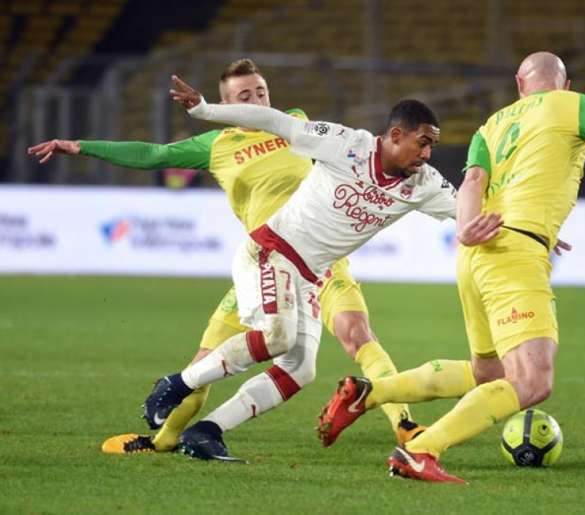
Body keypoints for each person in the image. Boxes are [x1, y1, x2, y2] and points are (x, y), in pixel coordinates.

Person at [316, 51, 585, 484]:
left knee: (489, 373)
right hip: (515, 256)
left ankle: (371, 392)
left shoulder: (492, 124)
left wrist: (467, 229)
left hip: (475, 251)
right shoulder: (576, 105)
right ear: (565, 85)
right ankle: (421, 450)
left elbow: (471, 183)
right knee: (532, 381)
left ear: (520, 86)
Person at [27, 58, 424, 455]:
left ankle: (405, 426)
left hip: (323, 262)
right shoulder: (216, 146)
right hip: (264, 263)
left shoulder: (297, 124)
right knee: (203, 368)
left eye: (261, 92)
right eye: (245, 96)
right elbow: (153, 155)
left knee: (357, 335)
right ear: (228, 104)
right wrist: (81, 147)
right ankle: (163, 441)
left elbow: (356, 151)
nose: (257, 100)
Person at [139, 75, 498, 462]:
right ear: (396, 135)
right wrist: (205, 109)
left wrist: (524, 227)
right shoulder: (346, 144)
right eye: (423, 143)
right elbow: (277, 121)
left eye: (433, 146)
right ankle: (176, 384)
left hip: (309, 277)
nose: (428, 154)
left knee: (299, 371)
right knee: (277, 336)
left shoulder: (424, 184)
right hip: (270, 252)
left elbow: (468, 209)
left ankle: (207, 430)